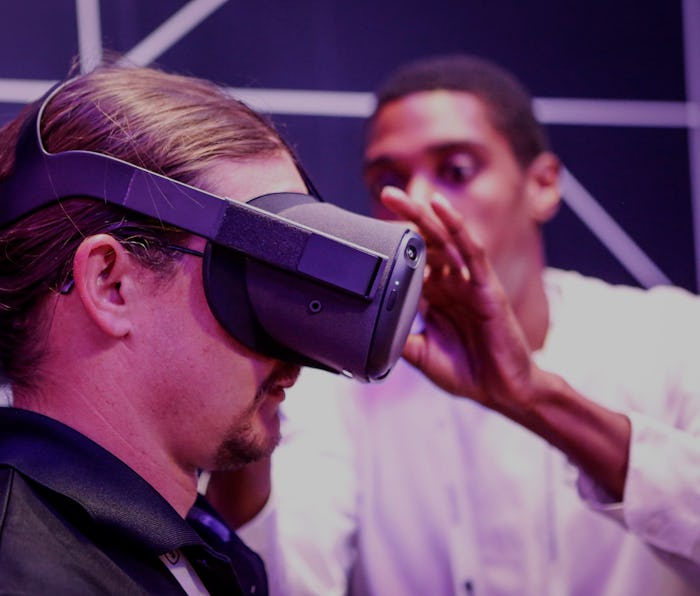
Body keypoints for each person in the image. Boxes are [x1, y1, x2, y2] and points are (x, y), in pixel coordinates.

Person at [205, 54, 700, 595]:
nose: (416, 203)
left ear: (542, 185)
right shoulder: (340, 382)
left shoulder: (671, 336)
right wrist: (245, 392)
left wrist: (532, 398)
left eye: (457, 171)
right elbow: (287, 580)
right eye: (389, 181)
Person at [0, 61, 420, 593]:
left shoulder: (190, 552)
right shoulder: (29, 574)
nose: (299, 349)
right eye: (256, 279)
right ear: (111, 284)